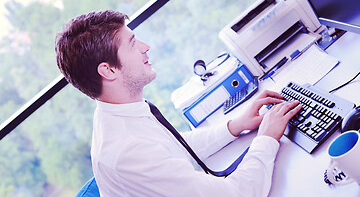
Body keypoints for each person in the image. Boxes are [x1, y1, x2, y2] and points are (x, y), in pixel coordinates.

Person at [55, 10, 302, 197]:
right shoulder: (127, 150)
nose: (145, 47)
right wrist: (267, 138)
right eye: (132, 44)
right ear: (108, 70)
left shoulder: (118, 111)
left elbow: (174, 147)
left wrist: (234, 126)